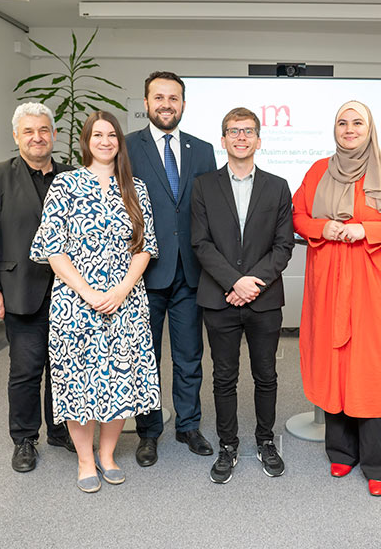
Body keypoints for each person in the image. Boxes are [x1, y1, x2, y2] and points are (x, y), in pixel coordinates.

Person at [293, 100, 381, 497]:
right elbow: (297, 215)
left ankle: (378, 463)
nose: (349, 129)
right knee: (336, 364)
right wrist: (324, 226)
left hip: (374, 289)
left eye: (357, 123)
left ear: (370, 129)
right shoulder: (318, 171)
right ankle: (342, 450)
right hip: (330, 286)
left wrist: (368, 230)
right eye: (342, 123)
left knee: (373, 370)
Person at [30, 111, 160, 493]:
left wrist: (121, 290)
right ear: (86, 141)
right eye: (97, 135)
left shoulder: (134, 187)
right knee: (79, 382)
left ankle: (107, 455)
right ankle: (85, 460)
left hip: (127, 302)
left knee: (122, 381)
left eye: (112, 135)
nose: (105, 141)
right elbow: (52, 250)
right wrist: (86, 292)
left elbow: (145, 248)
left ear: (120, 142)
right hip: (74, 302)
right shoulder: (65, 186)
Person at [191, 107, 295, 484]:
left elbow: (284, 246)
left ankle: (266, 441)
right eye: (233, 131)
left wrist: (252, 282)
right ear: (223, 140)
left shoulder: (278, 186)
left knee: (266, 374)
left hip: (264, 300)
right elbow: (200, 244)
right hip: (219, 299)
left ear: (258, 140)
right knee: (224, 376)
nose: (240, 137)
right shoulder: (203, 186)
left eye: (248, 131)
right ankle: (228, 445)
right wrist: (234, 282)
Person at [0, 102, 75, 473]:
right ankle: (24, 439)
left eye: (43, 130)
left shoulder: (72, 176)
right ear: (16, 136)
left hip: (69, 294)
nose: (37, 137)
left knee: (63, 369)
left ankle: (61, 431)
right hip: (19, 292)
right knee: (27, 369)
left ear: (54, 135)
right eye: (29, 131)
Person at [126, 71, 217, 465]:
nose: (166, 104)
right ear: (145, 103)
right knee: (146, 358)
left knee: (189, 355)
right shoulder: (127, 147)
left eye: (174, 97)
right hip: (143, 272)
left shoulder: (203, 149)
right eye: (158, 97)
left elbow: (209, 211)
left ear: (183, 103)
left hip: (191, 273)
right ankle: (148, 433)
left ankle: (188, 425)